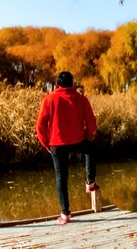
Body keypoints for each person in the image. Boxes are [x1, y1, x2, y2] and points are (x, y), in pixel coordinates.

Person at [36, 71, 100, 224]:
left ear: (57, 84)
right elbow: (92, 123)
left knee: (61, 177)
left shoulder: (49, 99)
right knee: (90, 149)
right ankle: (90, 182)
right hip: (78, 140)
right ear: (72, 84)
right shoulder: (81, 99)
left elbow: (40, 125)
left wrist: (46, 143)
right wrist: (87, 136)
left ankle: (65, 215)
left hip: (56, 144)